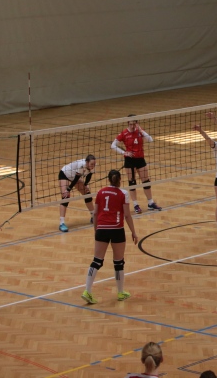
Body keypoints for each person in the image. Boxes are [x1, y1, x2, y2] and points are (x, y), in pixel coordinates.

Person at [82, 169, 138, 304]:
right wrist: (133, 232)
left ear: (108, 179)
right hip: (117, 229)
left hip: (102, 229)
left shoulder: (100, 192)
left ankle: (87, 291)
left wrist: (96, 230)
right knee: (118, 262)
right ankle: (120, 292)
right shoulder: (123, 193)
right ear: (119, 180)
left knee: (97, 261)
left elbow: (95, 213)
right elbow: (127, 215)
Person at [111, 115, 162, 215]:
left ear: (137, 123)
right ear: (128, 123)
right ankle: (135, 205)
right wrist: (124, 153)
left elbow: (150, 139)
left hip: (140, 159)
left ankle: (150, 203)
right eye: (130, 124)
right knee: (132, 183)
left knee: (146, 181)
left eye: (134, 124)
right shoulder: (124, 133)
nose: (132, 126)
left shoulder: (139, 131)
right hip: (129, 161)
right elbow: (112, 145)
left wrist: (141, 130)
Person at [58, 155, 97, 232]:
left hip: (74, 177)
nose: (93, 166)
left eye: (94, 164)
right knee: (65, 197)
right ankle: (61, 223)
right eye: (92, 164)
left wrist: (85, 184)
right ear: (87, 162)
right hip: (65, 174)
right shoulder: (81, 165)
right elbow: (76, 179)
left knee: (87, 194)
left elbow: (89, 175)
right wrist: (68, 189)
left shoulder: (92, 166)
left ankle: (93, 217)